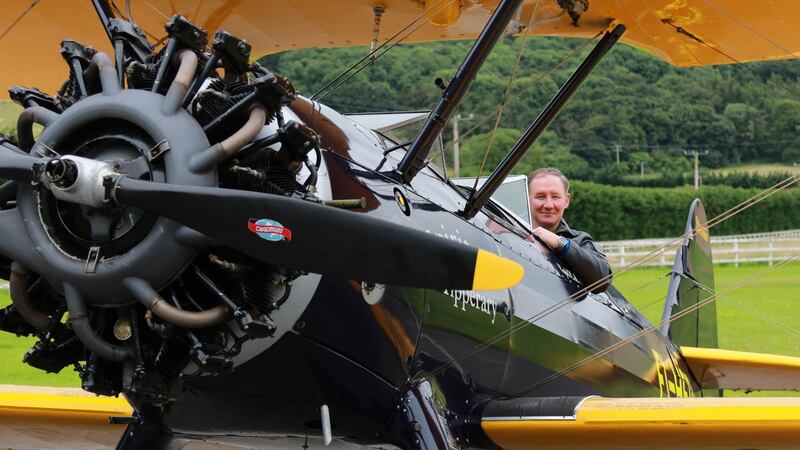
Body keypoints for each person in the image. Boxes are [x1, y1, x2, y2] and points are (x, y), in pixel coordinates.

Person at [528, 168, 611, 292]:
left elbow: (604, 278)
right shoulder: (508, 230)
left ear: (566, 200)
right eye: (540, 197)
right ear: (527, 198)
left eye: (555, 197)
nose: (549, 205)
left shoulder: (579, 240)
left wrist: (560, 243)